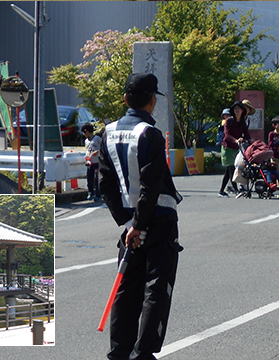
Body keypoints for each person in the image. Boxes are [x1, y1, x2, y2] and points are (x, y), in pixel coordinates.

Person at [98, 72, 183, 360]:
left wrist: (127, 223)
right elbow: (152, 184)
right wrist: (140, 224)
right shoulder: (150, 134)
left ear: (125, 98)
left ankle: (119, 352)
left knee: (126, 287)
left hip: (128, 225)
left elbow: (104, 184)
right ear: (152, 101)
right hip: (158, 221)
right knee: (156, 289)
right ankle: (143, 353)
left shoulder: (107, 132)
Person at [218, 101, 252, 197]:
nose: (237, 110)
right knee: (231, 169)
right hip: (227, 147)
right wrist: (236, 140)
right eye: (235, 109)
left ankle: (221, 191)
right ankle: (237, 190)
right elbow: (227, 135)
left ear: (242, 111)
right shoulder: (229, 121)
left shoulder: (242, 122)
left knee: (228, 171)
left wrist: (250, 140)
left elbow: (246, 134)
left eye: (239, 109)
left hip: (236, 148)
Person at [82, 123, 102, 201]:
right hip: (90, 162)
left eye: (84, 132)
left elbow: (103, 147)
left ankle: (98, 194)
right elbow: (87, 150)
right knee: (89, 178)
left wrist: (98, 151)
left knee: (97, 179)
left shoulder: (97, 138)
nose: (84, 134)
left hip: (97, 162)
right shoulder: (86, 141)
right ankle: (90, 192)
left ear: (86, 131)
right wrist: (86, 155)